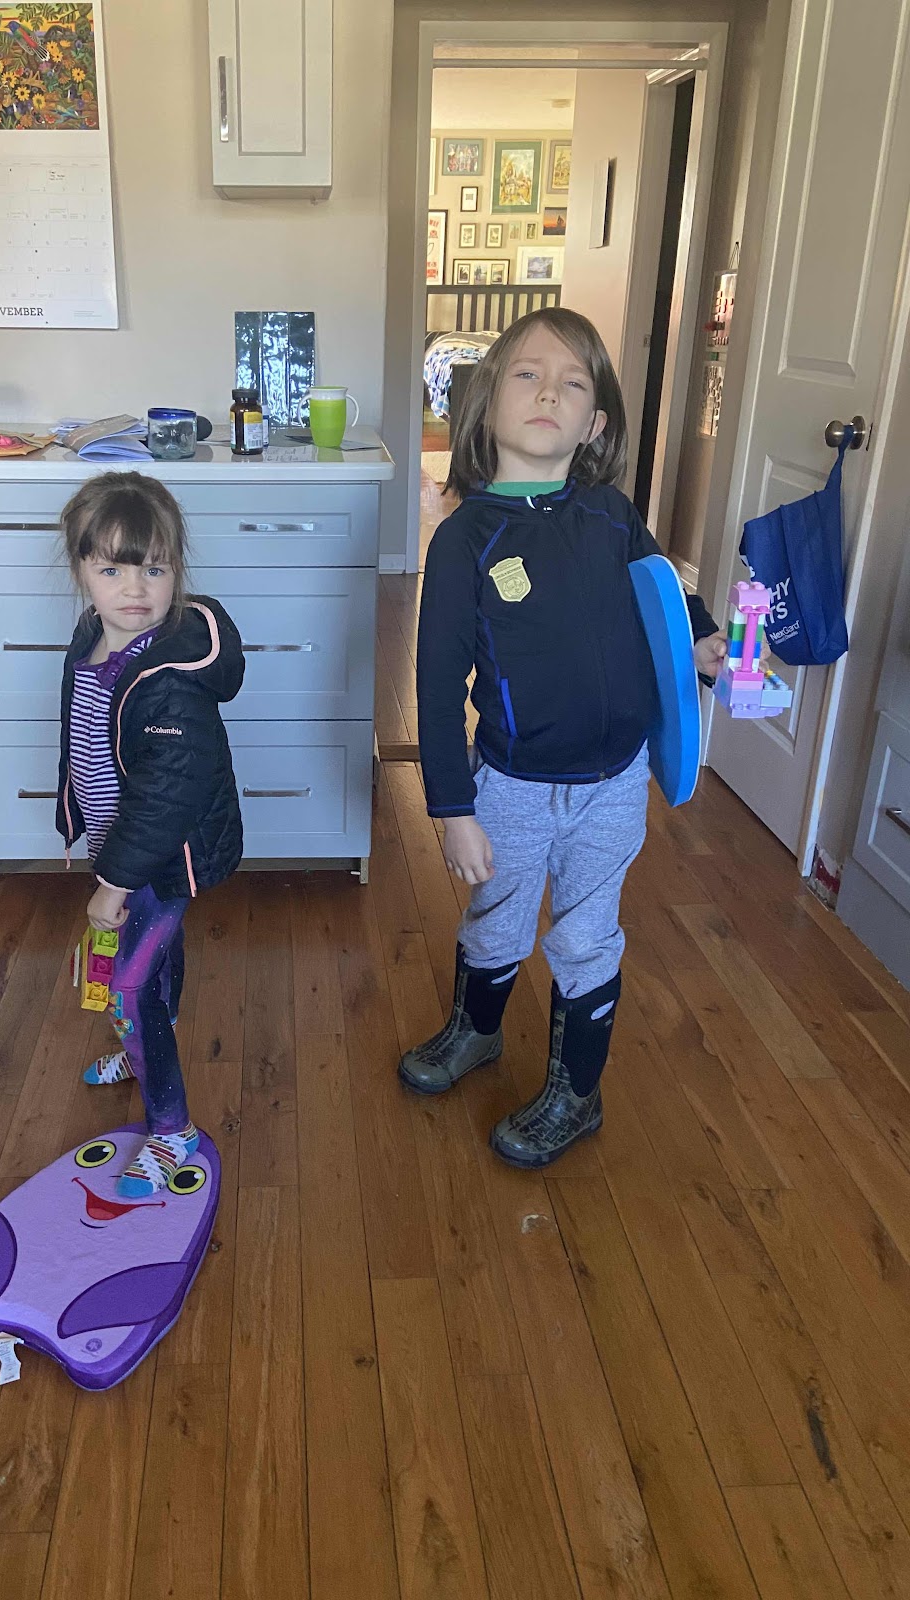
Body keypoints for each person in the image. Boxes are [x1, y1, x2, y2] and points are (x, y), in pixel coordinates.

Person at [400, 307, 736, 1168]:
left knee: (588, 938)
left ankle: (576, 1096)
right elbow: (435, 687)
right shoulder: (467, 539)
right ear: (485, 404)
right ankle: (477, 1031)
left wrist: (703, 639)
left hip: (615, 785)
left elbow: (667, 595)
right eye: (527, 374)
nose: (549, 391)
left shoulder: (613, 515)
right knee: (495, 919)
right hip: (510, 784)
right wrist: (452, 810)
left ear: (594, 425)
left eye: (573, 382)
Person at [57, 473, 244, 1197]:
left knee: (129, 988)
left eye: (155, 570)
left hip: (160, 859)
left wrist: (114, 883)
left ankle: (171, 1129)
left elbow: (166, 800)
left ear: (177, 572)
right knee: (147, 969)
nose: (135, 589)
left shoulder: (170, 680)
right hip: (120, 848)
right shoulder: (90, 639)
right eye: (112, 570)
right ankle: (142, 1051)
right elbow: (84, 741)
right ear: (81, 570)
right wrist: (83, 827)